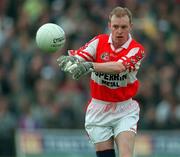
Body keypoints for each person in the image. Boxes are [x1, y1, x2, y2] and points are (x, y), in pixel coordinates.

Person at [57, 6, 145, 157]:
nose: (119, 31)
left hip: (125, 109)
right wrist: (72, 61)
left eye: (124, 27)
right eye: (115, 26)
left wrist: (90, 66)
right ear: (109, 25)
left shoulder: (137, 49)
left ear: (131, 26)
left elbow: (119, 67)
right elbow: (81, 56)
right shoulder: (99, 41)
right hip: (99, 108)